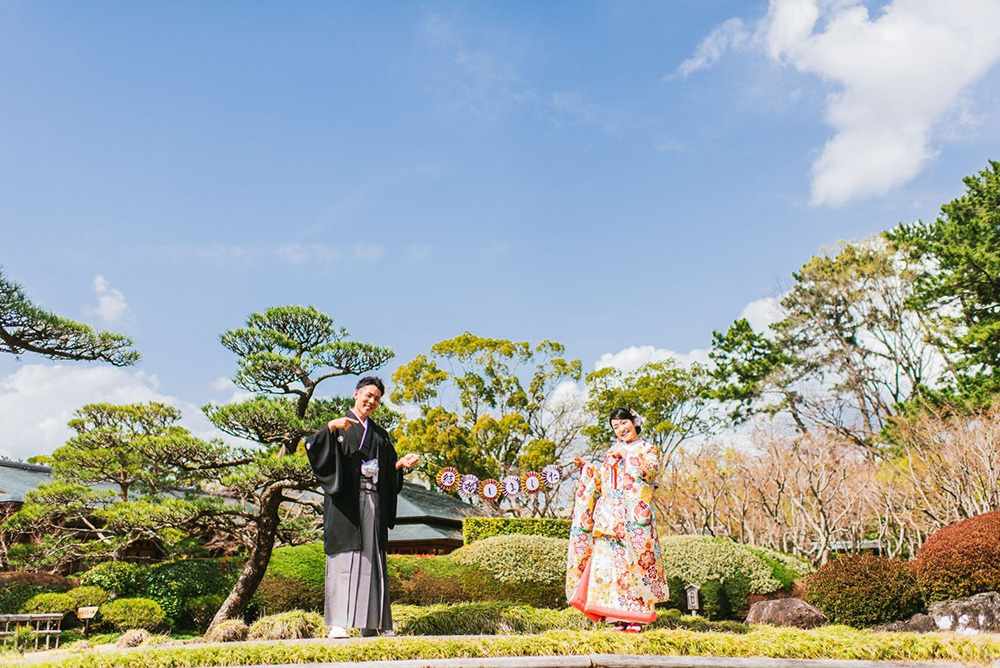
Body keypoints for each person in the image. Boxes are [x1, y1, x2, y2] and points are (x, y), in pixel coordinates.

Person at [304, 376, 420, 638]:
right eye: (368, 395)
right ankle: (338, 623)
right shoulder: (340, 425)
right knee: (344, 560)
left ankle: (375, 624)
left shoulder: (380, 435)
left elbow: (387, 471)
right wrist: (330, 429)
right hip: (346, 503)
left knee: (374, 561)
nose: (372, 401)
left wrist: (400, 464)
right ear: (356, 394)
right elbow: (313, 448)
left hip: (374, 501)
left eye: (377, 398)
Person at [566, 407, 668, 632]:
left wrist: (628, 456)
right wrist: (587, 469)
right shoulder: (612, 451)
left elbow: (650, 471)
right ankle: (615, 617)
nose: (621, 429)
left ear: (634, 421)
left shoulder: (647, 448)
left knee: (632, 565)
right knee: (610, 566)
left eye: (624, 423)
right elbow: (603, 480)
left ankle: (637, 618)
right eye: (616, 427)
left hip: (633, 518)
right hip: (608, 517)